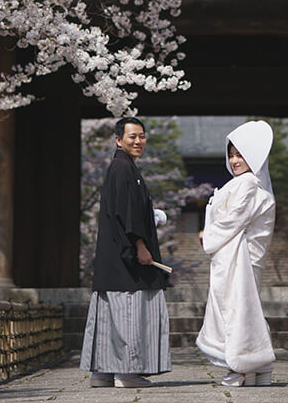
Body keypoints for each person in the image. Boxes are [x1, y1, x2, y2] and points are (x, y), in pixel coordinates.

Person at [80, 117, 171, 388]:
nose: (138, 141)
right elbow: (125, 213)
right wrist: (141, 246)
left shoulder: (122, 167)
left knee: (111, 313)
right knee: (129, 311)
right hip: (126, 257)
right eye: (132, 136)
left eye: (141, 136)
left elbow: (127, 209)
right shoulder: (123, 168)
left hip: (112, 257)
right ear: (118, 139)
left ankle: (103, 371)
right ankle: (127, 372)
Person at [196, 120, 277, 387]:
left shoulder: (247, 184)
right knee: (248, 309)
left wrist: (208, 235)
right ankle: (260, 366)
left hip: (239, 257)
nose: (234, 160)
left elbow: (234, 219)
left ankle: (241, 368)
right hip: (243, 255)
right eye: (231, 155)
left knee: (237, 310)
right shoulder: (248, 183)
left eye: (240, 154)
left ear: (253, 156)